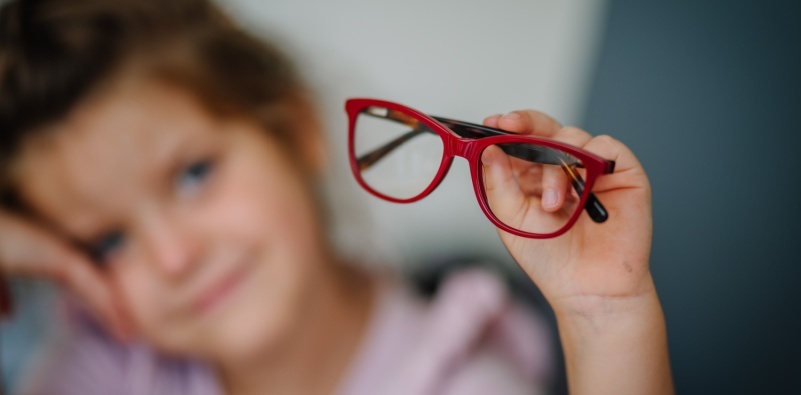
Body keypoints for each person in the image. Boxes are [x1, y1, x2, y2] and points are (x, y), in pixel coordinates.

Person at [0, 0, 673, 394]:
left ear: (294, 130)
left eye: (193, 175)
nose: (174, 256)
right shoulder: (100, 367)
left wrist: (603, 322)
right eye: (107, 241)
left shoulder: (461, 377)